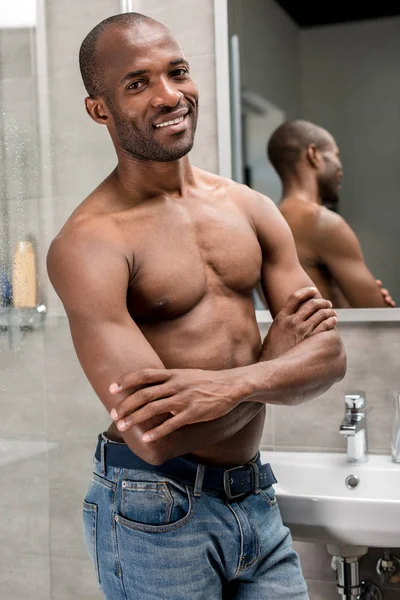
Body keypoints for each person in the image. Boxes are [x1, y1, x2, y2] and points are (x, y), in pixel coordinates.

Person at [47, 13, 346, 600]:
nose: (169, 95)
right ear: (99, 109)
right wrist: (274, 369)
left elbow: (330, 358)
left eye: (177, 71)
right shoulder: (90, 243)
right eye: (137, 83)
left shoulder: (252, 208)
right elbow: (155, 436)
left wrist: (228, 385)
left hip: (253, 498)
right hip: (151, 507)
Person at [267, 119, 396, 308]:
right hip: (335, 338)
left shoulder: (268, 222)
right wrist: (381, 303)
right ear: (314, 155)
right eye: (335, 155)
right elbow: (379, 317)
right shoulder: (321, 222)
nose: (340, 167)